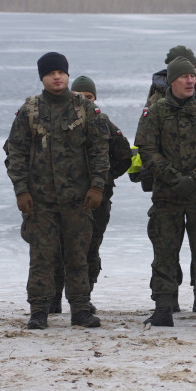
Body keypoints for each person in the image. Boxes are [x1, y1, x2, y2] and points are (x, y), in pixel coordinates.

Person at [5, 52, 109, 329]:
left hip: (77, 199)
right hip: (40, 200)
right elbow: (15, 151)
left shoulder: (84, 109)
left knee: (78, 256)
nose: (57, 77)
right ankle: (39, 310)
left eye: (61, 72)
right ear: (42, 77)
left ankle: (81, 309)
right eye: (51, 73)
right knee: (41, 257)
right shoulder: (29, 111)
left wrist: (97, 187)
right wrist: (21, 190)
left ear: (67, 75)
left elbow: (99, 150)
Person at [136, 57, 196, 328]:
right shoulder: (156, 111)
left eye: (193, 76)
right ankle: (163, 307)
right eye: (184, 77)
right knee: (164, 252)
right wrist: (172, 177)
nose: (190, 81)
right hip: (167, 195)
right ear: (172, 81)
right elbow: (146, 149)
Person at [46, 75, 133, 314]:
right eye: (80, 96)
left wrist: (105, 179)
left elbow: (125, 155)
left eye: (90, 96)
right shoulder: (59, 121)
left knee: (90, 249)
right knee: (59, 248)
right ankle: (54, 297)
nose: (85, 100)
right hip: (64, 197)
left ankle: (84, 296)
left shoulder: (104, 123)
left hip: (97, 200)